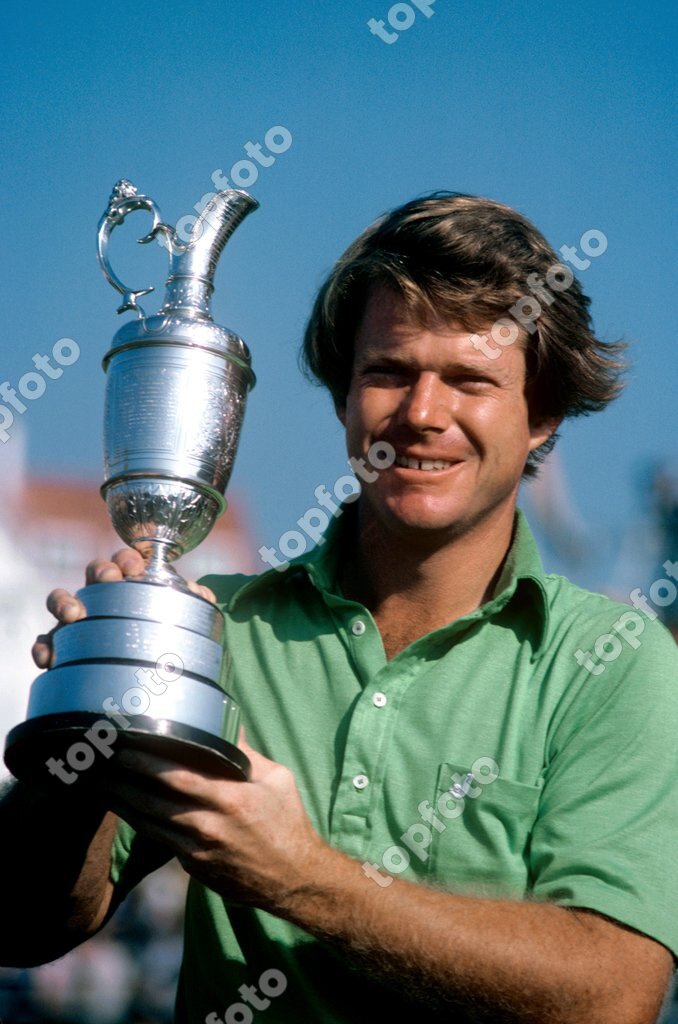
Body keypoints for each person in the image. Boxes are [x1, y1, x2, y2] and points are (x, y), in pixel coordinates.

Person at [2, 193, 677, 1024]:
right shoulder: (213, 626)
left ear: (544, 417)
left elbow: (613, 996)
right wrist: (84, 721)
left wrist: (301, 876)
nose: (423, 414)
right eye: (389, 372)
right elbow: (23, 926)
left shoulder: (614, 661)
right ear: (343, 396)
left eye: (469, 380)